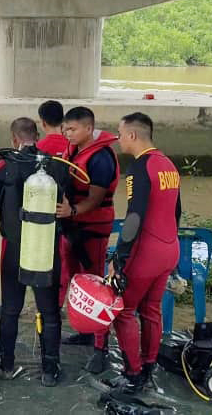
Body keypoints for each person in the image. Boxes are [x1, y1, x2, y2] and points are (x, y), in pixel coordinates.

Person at [0, 118, 69, 387]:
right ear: (37, 136)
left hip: (14, 251)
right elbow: (66, 207)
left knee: (10, 310)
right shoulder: (56, 166)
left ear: (13, 139)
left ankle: (7, 364)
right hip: (45, 249)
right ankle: (50, 370)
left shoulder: (4, 166)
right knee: (49, 312)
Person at [110, 112, 181, 393]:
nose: (117, 138)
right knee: (151, 309)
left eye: (119, 133)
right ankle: (150, 364)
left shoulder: (139, 168)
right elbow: (176, 211)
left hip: (146, 253)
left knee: (123, 312)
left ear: (132, 135)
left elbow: (134, 218)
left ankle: (132, 374)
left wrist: (119, 258)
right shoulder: (168, 165)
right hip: (169, 249)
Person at [56, 107, 119, 370]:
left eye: (72, 129)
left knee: (96, 286)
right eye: (65, 129)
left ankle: (100, 347)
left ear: (88, 128)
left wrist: (72, 210)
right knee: (70, 279)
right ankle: (83, 331)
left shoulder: (100, 158)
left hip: (92, 229)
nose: (67, 134)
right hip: (70, 225)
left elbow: (94, 199)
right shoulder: (74, 150)